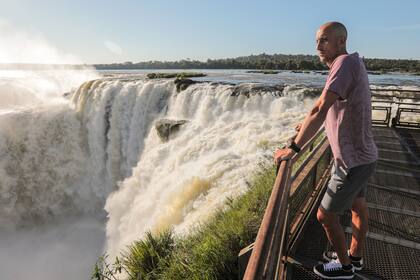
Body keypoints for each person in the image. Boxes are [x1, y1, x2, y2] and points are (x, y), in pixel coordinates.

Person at [274, 22, 377, 279]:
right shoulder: (352, 64)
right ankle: (354, 257)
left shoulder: (343, 64)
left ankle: (344, 268)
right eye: (317, 41)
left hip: (351, 161)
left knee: (325, 215)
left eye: (324, 40)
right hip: (363, 156)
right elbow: (325, 106)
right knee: (358, 207)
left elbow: (320, 109)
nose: (318, 46)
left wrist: (294, 148)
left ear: (340, 41)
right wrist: (304, 125)